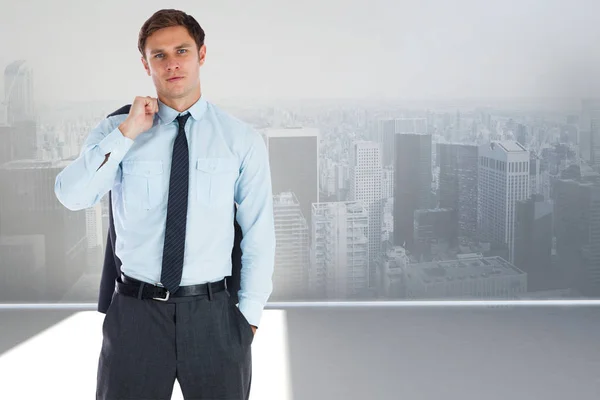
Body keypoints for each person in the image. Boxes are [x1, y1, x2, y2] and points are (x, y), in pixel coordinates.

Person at [54, 8, 276, 400]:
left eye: (182, 51)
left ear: (201, 55)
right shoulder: (116, 130)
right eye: (159, 55)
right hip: (135, 315)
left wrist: (249, 320)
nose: (172, 63)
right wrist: (127, 133)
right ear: (145, 64)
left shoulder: (240, 140)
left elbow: (259, 233)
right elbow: (72, 196)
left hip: (214, 316)